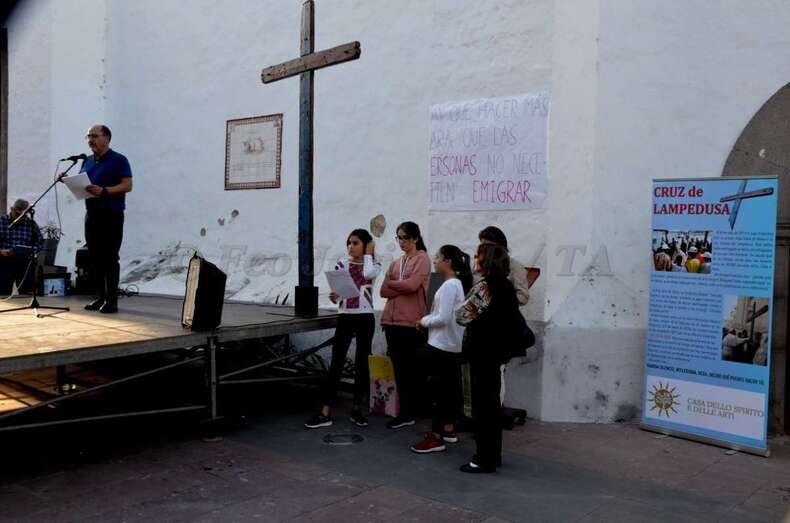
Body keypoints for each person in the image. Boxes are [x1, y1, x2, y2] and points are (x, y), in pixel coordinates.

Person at [305, 229, 381, 429]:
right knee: (336, 362)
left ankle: (357, 409)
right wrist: (334, 296)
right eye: (349, 243)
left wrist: (369, 253)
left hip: (365, 316)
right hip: (346, 315)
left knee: (362, 363)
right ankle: (325, 411)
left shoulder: (374, 262)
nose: (350, 247)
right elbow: (339, 293)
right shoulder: (342, 263)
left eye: (355, 243)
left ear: (365, 245)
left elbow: (368, 274)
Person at [455, 243, 519, 473]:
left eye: (477, 255)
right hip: (497, 352)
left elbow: (461, 315)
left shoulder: (485, 287)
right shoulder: (506, 286)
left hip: (481, 352)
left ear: (486, 260)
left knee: (482, 407)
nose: (474, 259)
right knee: (492, 405)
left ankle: (483, 458)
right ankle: (493, 455)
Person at [410, 245, 472, 454]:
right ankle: (448, 429)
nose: (435, 261)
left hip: (441, 345)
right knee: (448, 391)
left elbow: (443, 318)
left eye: (438, 257)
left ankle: (436, 437)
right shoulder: (456, 284)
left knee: (438, 392)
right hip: (450, 345)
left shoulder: (449, 286)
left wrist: (423, 321)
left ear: (448, 261)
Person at [380, 221, 431, 429]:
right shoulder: (395, 263)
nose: (402, 242)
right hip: (391, 321)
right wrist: (398, 285)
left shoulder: (422, 259)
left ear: (415, 238)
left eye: (405, 238)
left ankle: (412, 411)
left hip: (411, 322)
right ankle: (406, 411)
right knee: (399, 369)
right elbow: (382, 291)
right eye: (399, 238)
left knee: (411, 370)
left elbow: (412, 286)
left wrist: (392, 283)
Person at [80, 125, 133, 314]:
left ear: (107, 138)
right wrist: (69, 181)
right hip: (91, 214)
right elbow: (83, 185)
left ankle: (112, 301)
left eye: (94, 136)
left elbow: (127, 185)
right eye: (88, 136)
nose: (90, 140)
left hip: (111, 215)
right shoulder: (86, 161)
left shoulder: (119, 160)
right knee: (94, 257)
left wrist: (105, 191)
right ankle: (100, 297)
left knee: (110, 258)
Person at [0, 199, 43, 294]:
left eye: (23, 216)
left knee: (27, 293)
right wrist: (1, 251)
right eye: (17, 215)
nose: (19, 218)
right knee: (3, 293)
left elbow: (40, 242)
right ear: (12, 209)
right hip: (4, 261)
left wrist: (32, 250)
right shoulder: (1, 221)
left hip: (24, 262)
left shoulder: (31, 224)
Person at [478, 226, 529, 306]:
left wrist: (499, 299)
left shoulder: (515, 267)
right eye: (482, 246)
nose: (484, 250)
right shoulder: (479, 265)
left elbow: (523, 297)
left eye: (489, 246)